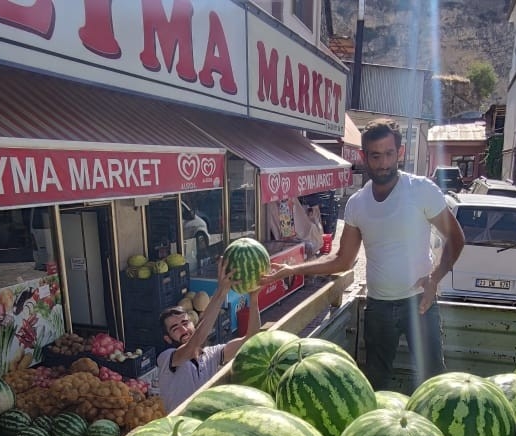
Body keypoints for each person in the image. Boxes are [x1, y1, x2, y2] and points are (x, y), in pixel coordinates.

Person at [261, 118, 466, 391]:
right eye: (375, 155)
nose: (382, 163)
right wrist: (293, 270)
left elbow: (456, 238)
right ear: (364, 156)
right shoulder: (357, 204)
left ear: (400, 153)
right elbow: (343, 261)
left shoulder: (422, 190)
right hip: (378, 306)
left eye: (389, 154)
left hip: (420, 304)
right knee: (375, 382)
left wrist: (434, 279)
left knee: (434, 381)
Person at [156, 261, 262, 411]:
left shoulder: (211, 354)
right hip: (181, 429)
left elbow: (251, 339)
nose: (183, 329)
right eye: (175, 328)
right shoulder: (167, 358)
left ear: (193, 323)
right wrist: (221, 292)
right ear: (167, 338)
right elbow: (194, 344)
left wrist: (254, 299)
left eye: (185, 323)